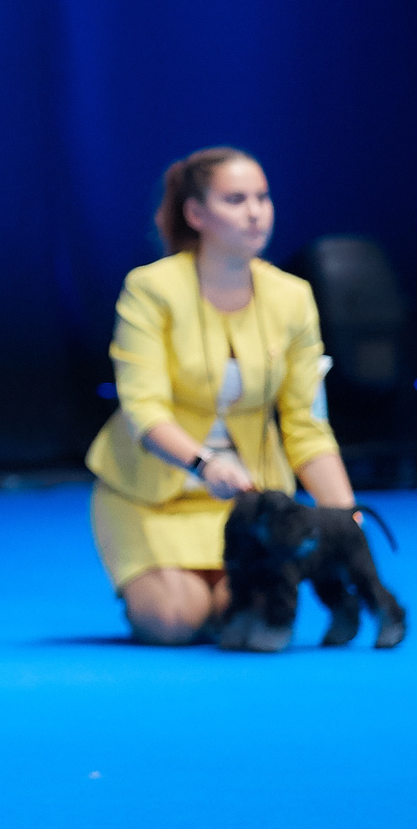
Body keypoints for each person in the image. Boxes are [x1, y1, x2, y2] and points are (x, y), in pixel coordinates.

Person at [84, 148, 357, 643]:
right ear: (196, 214)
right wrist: (206, 464)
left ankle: (220, 587)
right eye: (235, 199)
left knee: (252, 617)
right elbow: (144, 409)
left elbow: (306, 425)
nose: (255, 212)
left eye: (262, 198)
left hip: (251, 504)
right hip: (152, 497)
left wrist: (344, 514)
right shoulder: (150, 289)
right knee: (176, 621)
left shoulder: (293, 297)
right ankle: (168, 587)